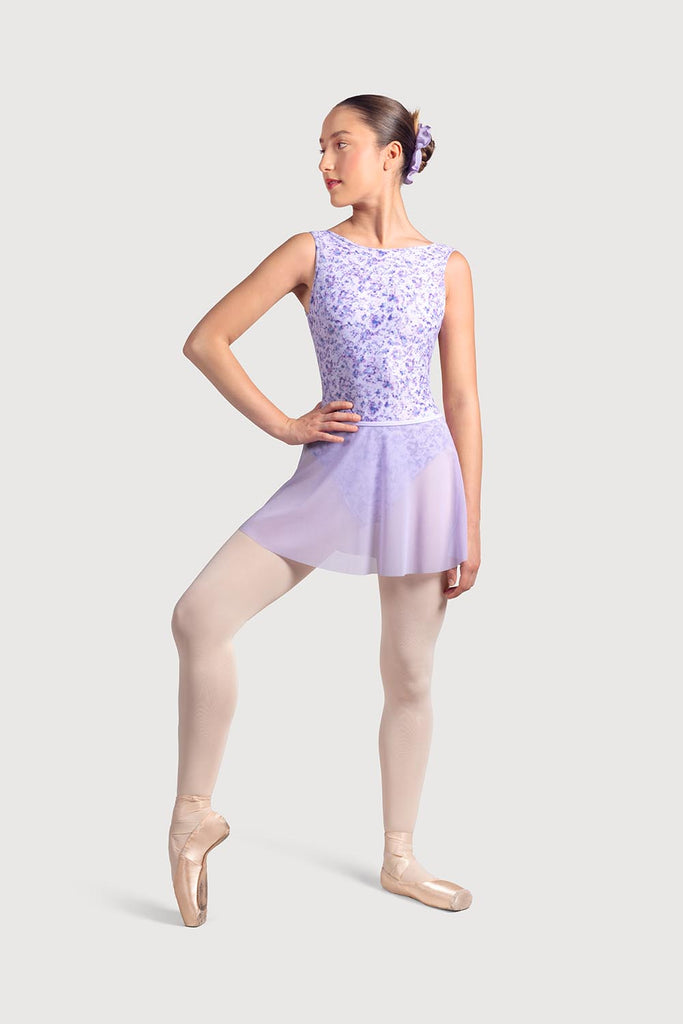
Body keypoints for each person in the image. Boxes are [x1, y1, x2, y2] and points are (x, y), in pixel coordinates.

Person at [168, 93, 482, 926]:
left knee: (409, 674)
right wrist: (284, 424)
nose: (324, 163)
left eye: (339, 144)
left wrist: (472, 520)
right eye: (319, 147)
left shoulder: (446, 265)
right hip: (335, 471)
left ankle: (400, 857)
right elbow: (206, 340)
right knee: (199, 617)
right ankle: (192, 813)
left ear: (391, 153)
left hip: (422, 479)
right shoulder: (310, 251)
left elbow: (461, 399)